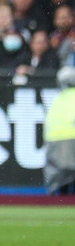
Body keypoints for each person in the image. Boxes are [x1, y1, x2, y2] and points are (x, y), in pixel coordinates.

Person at [44, 67, 75, 195]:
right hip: (72, 137)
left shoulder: (59, 99)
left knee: (61, 178)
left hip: (54, 139)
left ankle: (60, 198)